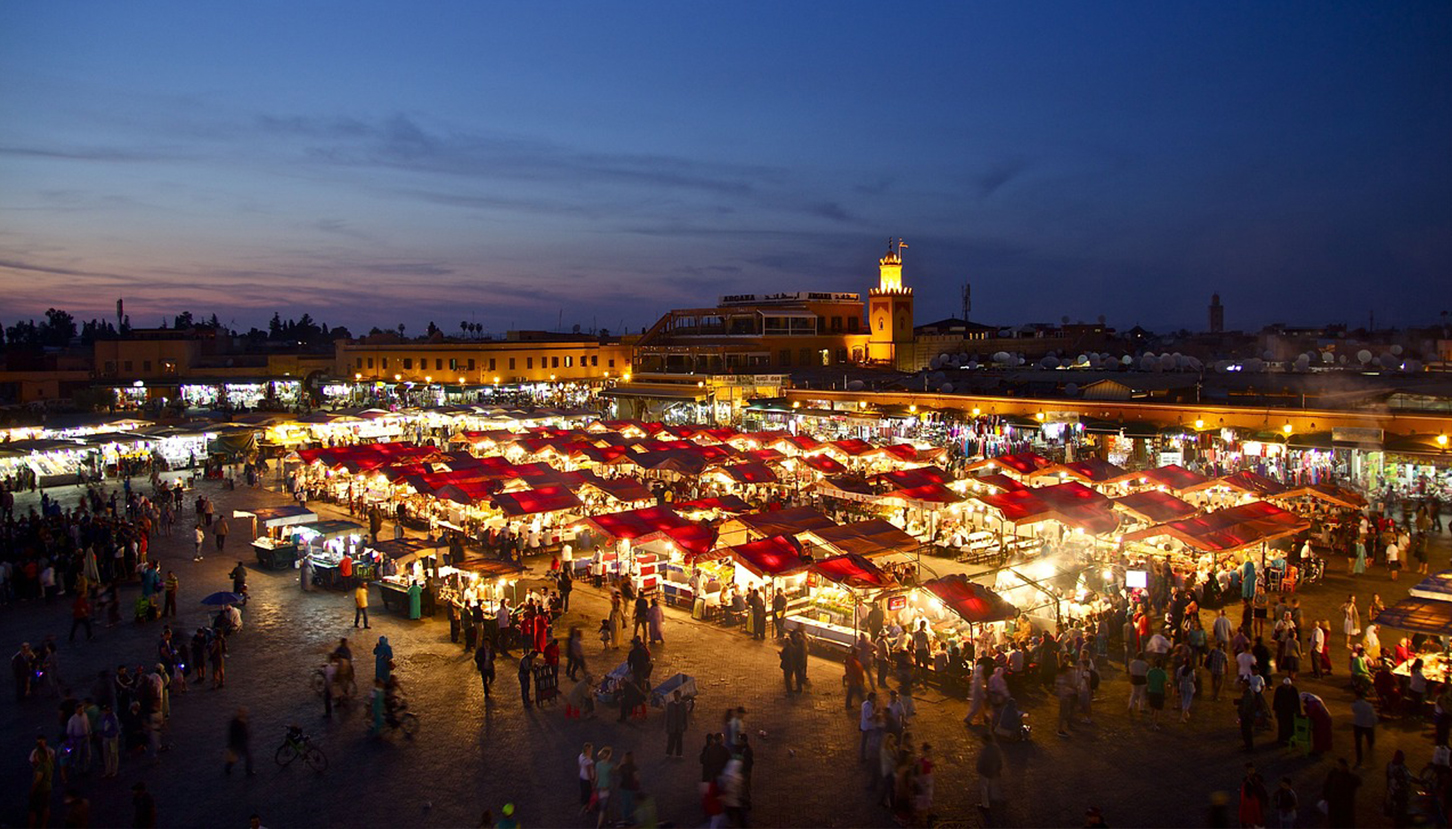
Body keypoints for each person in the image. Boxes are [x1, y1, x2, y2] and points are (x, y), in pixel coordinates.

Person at [1322, 758, 1361, 829]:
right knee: (1335, 821)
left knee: (1345, 822)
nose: (1339, 767)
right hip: (1334, 803)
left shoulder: (1350, 777)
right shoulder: (1333, 774)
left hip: (1345, 805)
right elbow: (1326, 785)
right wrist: (1326, 796)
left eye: (1341, 765)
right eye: (1338, 765)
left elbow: (1358, 781)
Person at [29, 736, 56, 828]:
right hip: (48, 787)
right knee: (46, 806)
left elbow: (37, 781)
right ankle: (44, 825)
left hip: (40, 789)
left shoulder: (41, 767)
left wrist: (32, 791)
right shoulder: (49, 763)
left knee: (33, 810)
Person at [1385, 749, 1412, 825]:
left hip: (1393, 790)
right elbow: (1408, 777)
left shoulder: (1389, 765)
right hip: (1400, 792)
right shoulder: (1400, 768)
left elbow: (1388, 777)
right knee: (1402, 809)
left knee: (1398, 808)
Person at [225, 707, 253, 776]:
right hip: (238, 743)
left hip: (241, 742)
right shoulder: (236, 722)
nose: (245, 714)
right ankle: (248, 771)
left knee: (245, 757)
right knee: (246, 757)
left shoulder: (243, 720)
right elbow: (233, 734)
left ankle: (228, 768)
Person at [1238, 763, 1267, 829]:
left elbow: (1261, 789)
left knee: (1257, 814)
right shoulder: (1246, 780)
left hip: (1256, 799)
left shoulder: (1257, 778)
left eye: (1252, 769)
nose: (1251, 771)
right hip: (1250, 801)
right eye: (1250, 770)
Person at [1273, 678, 1300, 746]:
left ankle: (1291, 740)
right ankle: (1282, 740)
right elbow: (1276, 701)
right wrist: (1276, 711)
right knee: (1282, 726)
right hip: (1282, 712)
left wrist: (1297, 712)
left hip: (1290, 712)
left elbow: (1297, 702)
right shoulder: (1279, 690)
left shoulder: (1294, 690)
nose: (1287, 687)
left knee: (1291, 726)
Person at [1351, 692, 1376, 767]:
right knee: (1370, 738)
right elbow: (1373, 715)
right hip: (1367, 725)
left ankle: (1359, 758)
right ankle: (1370, 750)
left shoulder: (1355, 705)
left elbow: (1354, 710)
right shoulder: (1369, 705)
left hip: (1358, 724)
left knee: (1358, 742)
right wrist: (1374, 722)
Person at [666, 690, 688, 758]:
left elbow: (685, 715)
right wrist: (667, 726)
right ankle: (669, 753)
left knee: (679, 741)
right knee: (671, 741)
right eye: (675, 696)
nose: (676, 697)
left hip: (679, 726)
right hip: (672, 726)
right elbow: (668, 717)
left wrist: (685, 724)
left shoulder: (683, 705)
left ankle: (679, 754)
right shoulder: (670, 705)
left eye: (677, 696)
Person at [577, 742, 596, 811]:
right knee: (589, 792)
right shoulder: (589, 761)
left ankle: (583, 802)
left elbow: (579, 766)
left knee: (583, 791)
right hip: (587, 778)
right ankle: (588, 806)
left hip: (582, 776)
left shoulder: (581, 756)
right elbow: (589, 772)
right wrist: (592, 781)